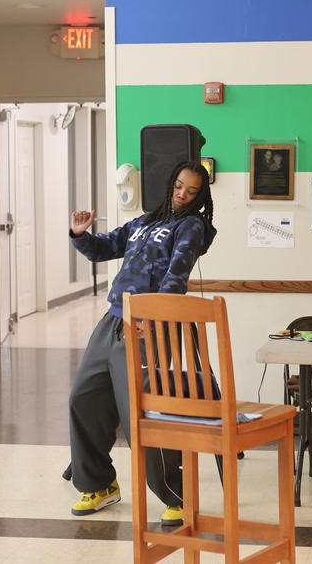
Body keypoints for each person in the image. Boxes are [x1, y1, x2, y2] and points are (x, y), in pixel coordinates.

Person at [67, 160, 216, 527]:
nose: (183, 194)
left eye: (192, 191)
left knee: (146, 413)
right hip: (113, 320)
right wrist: (80, 234)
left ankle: (180, 497)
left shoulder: (191, 226)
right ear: (170, 184)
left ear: (200, 197)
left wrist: (157, 317)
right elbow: (104, 248)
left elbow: (176, 277)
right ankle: (99, 485)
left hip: (149, 326)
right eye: (179, 186)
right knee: (83, 399)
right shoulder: (146, 220)